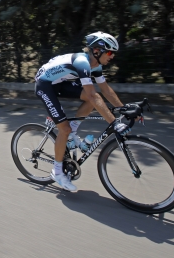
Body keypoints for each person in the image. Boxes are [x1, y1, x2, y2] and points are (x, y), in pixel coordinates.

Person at [34, 31, 130, 192]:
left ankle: (73, 131)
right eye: (109, 52)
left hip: (60, 82)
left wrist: (124, 109)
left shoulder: (96, 66)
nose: (112, 56)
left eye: (113, 53)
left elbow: (106, 91)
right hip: (45, 85)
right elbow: (93, 95)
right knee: (64, 129)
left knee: (91, 99)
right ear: (97, 51)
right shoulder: (82, 63)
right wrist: (114, 122)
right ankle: (57, 172)